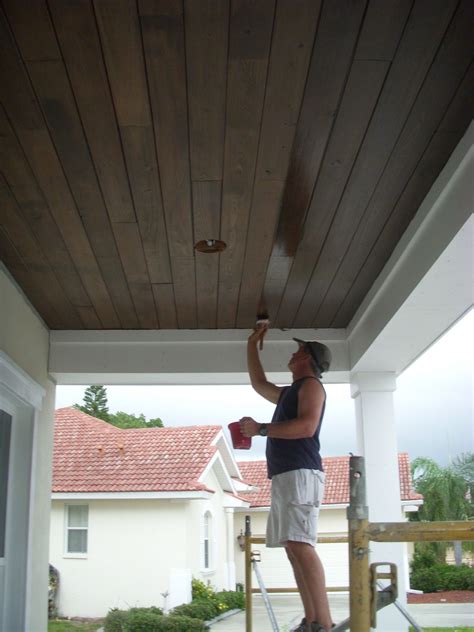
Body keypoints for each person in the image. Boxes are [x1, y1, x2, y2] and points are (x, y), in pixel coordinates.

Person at [239, 324, 334, 632]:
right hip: (285, 476)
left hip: (300, 474)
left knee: (301, 545)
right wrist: (252, 344)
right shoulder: (290, 392)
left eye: (298, 350)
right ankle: (312, 621)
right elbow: (259, 383)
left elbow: (306, 427)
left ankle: (326, 623)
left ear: (306, 356)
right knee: (294, 548)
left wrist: (261, 429)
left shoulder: (311, 386)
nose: (292, 353)